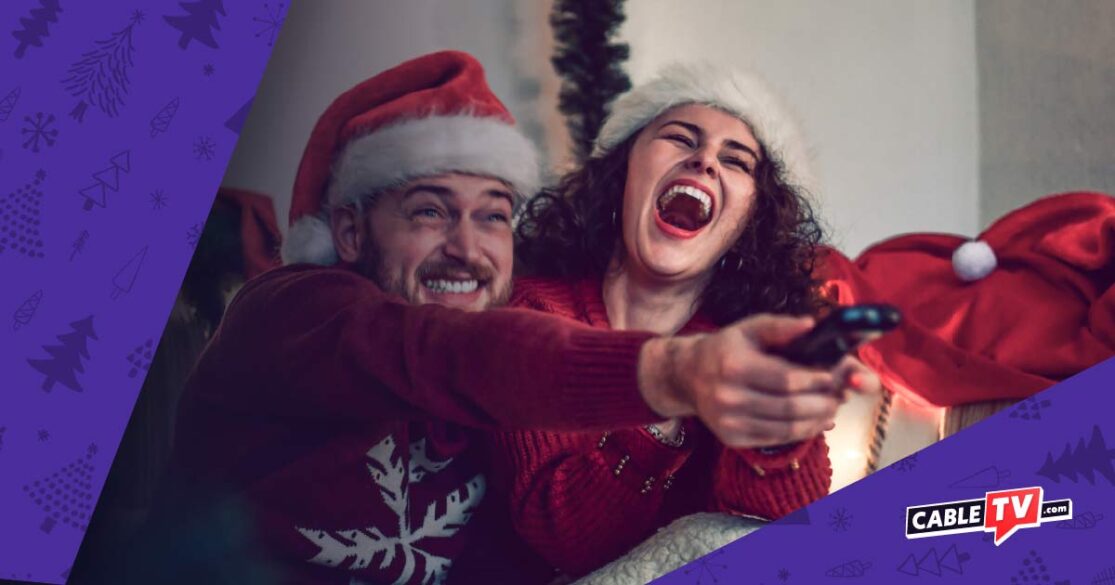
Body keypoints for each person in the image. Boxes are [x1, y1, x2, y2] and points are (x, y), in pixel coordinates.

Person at [118, 52, 868, 585]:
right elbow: (444, 353)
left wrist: (775, 416)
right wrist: (674, 375)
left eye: (494, 216)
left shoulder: (501, 347)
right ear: (348, 231)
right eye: (429, 211)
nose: (467, 248)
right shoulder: (295, 311)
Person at [488, 62, 879, 578]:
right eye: (679, 138)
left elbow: (778, 533)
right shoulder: (534, 312)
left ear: (749, 221)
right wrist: (674, 392)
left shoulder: (744, 344)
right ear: (623, 172)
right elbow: (562, 537)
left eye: (735, 161)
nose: (705, 161)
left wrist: (778, 426)